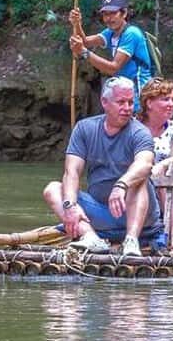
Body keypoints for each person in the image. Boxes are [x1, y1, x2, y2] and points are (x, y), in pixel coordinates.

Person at [42, 76, 158, 256]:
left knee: (139, 179)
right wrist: (70, 206)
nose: (127, 108)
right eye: (121, 102)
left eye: (130, 102)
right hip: (101, 213)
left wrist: (121, 185)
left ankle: (131, 240)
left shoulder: (140, 132)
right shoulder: (84, 128)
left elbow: (145, 164)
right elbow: (72, 172)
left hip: (140, 218)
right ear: (105, 102)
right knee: (53, 189)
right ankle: (91, 238)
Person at [69, 0, 153, 111]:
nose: (109, 18)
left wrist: (83, 52)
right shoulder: (111, 32)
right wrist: (77, 24)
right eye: (105, 14)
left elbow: (113, 68)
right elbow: (86, 42)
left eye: (113, 13)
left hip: (139, 97)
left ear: (124, 13)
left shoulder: (131, 34)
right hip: (126, 95)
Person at [138, 77, 173, 250]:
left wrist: (159, 166)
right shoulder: (132, 127)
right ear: (149, 103)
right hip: (139, 189)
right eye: (165, 99)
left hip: (171, 192)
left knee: (169, 173)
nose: (171, 104)